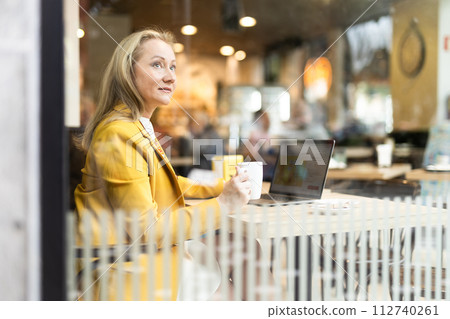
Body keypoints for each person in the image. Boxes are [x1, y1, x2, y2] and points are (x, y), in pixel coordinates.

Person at [74, 28, 254, 300]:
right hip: (127, 271)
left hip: (140, 256)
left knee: (245, 250)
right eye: (157, 65)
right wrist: (224, 203)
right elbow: (148, 231)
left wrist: (221, 187)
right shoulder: (119, 134)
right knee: (246, 279)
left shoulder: (136, 125)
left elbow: (163, 181)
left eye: (172, 66)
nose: (170, 76)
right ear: (127, 72)